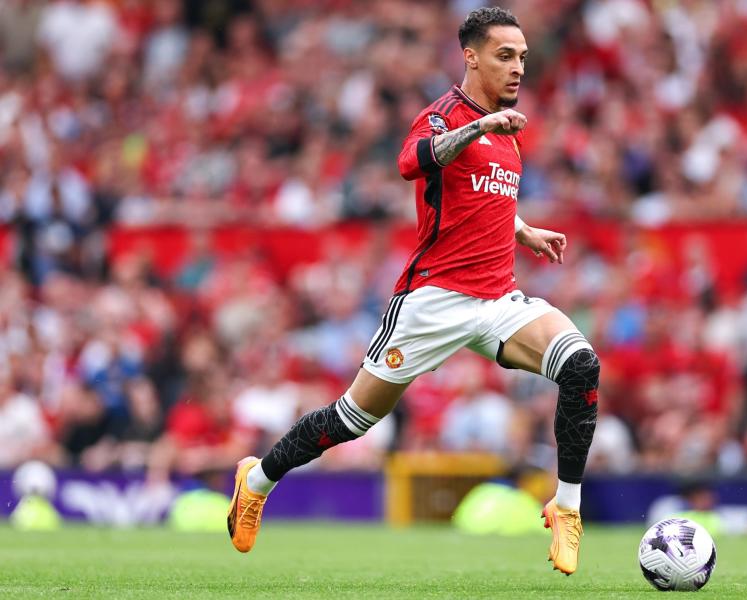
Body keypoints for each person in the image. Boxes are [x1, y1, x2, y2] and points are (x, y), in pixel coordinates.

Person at [226, 7, 600, 576]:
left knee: (581, 366)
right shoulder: (445, 115)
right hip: (432, 301)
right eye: (505, 55)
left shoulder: (509, 134)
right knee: (352, 419)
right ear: (470, 56)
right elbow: (412, 163)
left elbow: (485, 197)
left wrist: (523, 231)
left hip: (498, 301)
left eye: (523, 57)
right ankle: (256, 482)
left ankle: (567, 507)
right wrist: (476, 128)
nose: (518, 68)